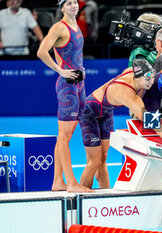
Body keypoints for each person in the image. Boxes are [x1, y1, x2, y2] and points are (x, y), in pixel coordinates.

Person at [79, 59, 162, 188]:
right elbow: (153, 123)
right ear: (137, 78)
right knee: (94, 161)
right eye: (147, 79)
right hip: (89, 112)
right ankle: (82, 195)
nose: (151, 82)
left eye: (152, 77)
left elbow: (137, 64)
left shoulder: (132, 72)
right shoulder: (127, 95)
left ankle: (105, 192)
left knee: (103, 157)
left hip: (106, 112)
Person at [37, 0, 91, 192]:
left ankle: (58, 181)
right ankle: (71, 183)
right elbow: (42, 52)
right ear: (62, 8)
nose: (73, 5)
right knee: (64, 136)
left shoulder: (75, 25)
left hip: (79, 85)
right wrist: (60, 71)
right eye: (68, 3)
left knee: (65, 137)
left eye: (75, 2)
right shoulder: (59, 27)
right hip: (67, 87)